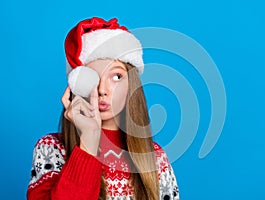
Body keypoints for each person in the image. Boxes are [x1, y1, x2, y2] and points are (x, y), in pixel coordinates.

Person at [27, 17, 179, 200]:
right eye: (92, 77)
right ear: (77, 85)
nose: (102, 90)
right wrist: (89, 141)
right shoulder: (51, 149)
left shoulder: (156, 158)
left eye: (116, 76)